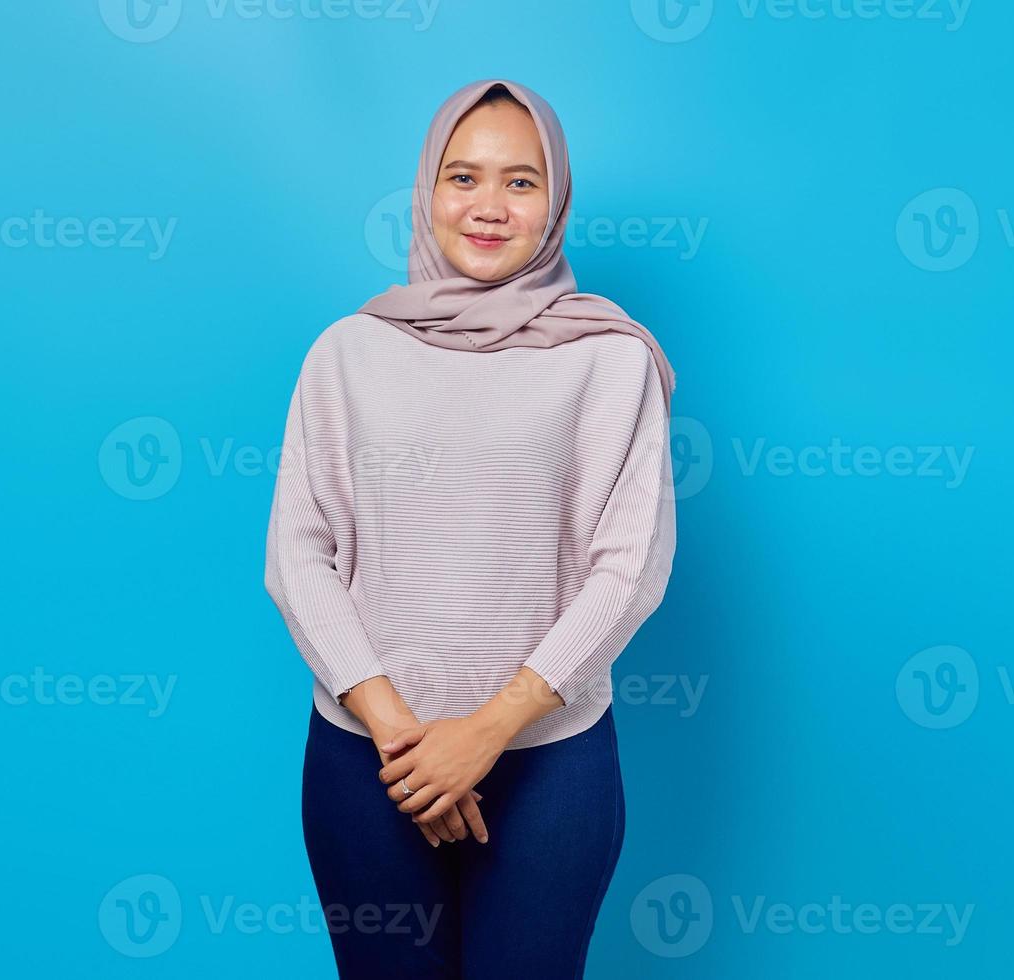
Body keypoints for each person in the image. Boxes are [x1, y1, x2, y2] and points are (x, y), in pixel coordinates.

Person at [264, 77, 679, 979]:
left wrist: (484, 732)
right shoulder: (348, 351)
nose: (488, 207)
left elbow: (629, 571)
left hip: (547, 766)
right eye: (464, 177)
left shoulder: (609, 360)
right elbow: (299, 553)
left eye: (521, 182)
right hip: (368, 760)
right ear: (428, 190)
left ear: (556, 200)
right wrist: (405, 738)